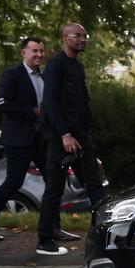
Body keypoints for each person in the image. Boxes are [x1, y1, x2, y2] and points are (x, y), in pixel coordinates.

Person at [0, 38, 72, 243]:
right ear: (23, 53)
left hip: (43, 139)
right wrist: (34, 111)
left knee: (53, 181)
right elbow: (3, 104)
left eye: (41, 51)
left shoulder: (46, 77)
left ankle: (53, 228)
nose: (39, 55)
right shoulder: (11, 75)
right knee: (14, 182)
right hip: (18, 139)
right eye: (34, 51)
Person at [36, 23, 105, 256]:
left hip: (81, 136)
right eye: (77, 35)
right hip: (61, 138)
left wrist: (84, 131)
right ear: (65, 38)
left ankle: (104, 236)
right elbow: (51, 103)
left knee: (95, 184)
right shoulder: (56, 65)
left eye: (85, 35)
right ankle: (45, 241)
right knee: (54, 188)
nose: (83, 39)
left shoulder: (77, 66)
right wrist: (64, 134)